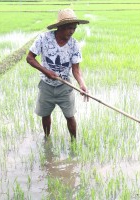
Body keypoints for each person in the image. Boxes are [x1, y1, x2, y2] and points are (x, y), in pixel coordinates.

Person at [26, 8, 89, 140]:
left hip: (65, 87)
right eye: (69, 28)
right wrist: (46, 71)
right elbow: (30, 58)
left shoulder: (74, 45)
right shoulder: (44, 38)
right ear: (60, 27)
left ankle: (74, 143)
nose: (72, 31)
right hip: (46, 86)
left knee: (70, 116)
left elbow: (76, 70)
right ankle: (47, 139)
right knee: (45, 114)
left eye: (74, 28)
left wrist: (82, 84)